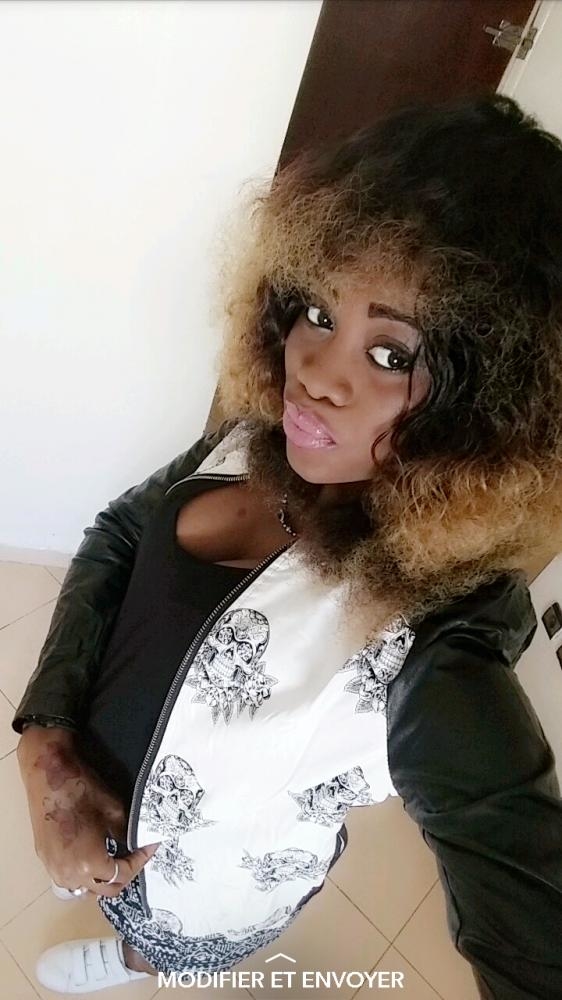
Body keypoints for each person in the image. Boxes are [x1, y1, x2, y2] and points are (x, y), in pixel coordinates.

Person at [13, 92, 562, 997]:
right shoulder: (259, 434)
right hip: (93, 803)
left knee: (170, 949)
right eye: (317, 310)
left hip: (201, 897)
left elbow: (527, 908)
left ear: (485, 404)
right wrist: (50, 750)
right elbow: (120, 533)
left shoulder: (435, 638)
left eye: (392, 355)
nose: (314, 374)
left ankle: (141, 964)